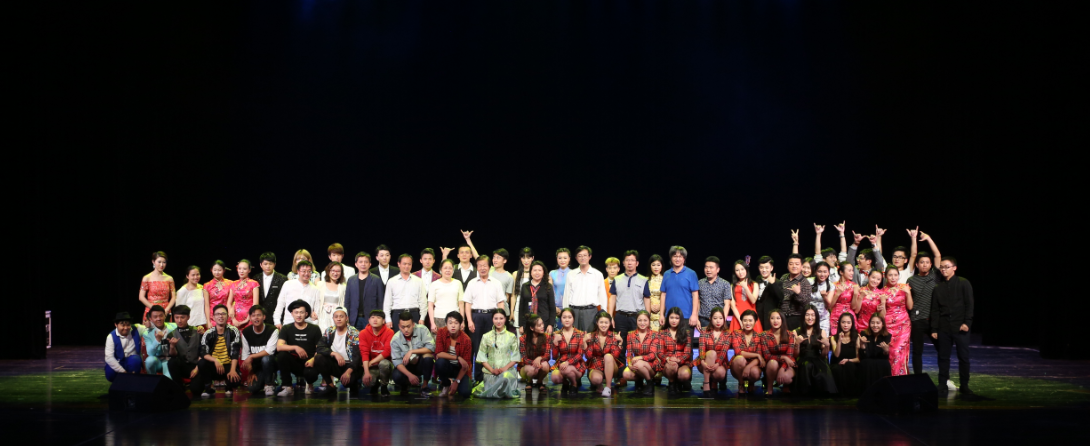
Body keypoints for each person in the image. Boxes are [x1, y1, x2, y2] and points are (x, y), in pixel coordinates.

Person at [930, 256, 974, 395]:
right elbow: (935, 310)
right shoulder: (938, 287)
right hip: (944, 327)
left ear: (954, 268)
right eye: (941, 267)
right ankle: (942, 384)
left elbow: (969, 304)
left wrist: (967, 322)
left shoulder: (963, 283)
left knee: (963, 357)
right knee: (943, 357)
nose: (943, 269)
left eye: (946, 267)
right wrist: (934, 328)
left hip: (960, 326)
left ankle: (964, 385)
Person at [462, 255, 507, 383]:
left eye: (485, 265)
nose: (482, 268)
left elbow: (500, 302)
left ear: (489, 267)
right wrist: (469, 320)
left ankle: (492, 376)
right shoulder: (472, 283)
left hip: (492, 316)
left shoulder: (496, 283)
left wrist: (500, 319)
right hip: (476, 316)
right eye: (480, 265)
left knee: (492, 347)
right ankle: (478, 377)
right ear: (477, 267)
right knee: (477, 347)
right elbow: (467, 304)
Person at [906, 232, 942, 375]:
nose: (925, 264)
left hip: (934, 320)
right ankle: (918, 378)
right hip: (917, 320)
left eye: (927, 262)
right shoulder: (911, 280)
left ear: (931, 264)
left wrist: (928, 239)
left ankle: (944, 378)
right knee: (917, 351)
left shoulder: (935, 276)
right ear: (917, 264)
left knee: (942, 349)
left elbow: (938, 255)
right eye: (922, 262)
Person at [274, 300, 322, 396]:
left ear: (306, 314)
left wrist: (313, 360)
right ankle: (288, 387)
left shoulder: (315, 328)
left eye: (301, 312)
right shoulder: (286, 328)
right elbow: (279, 347)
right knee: (281, 355)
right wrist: (295, 347)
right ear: (292, 314)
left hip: (310, 363)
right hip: (295, 362)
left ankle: (309, 383)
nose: (299, 315)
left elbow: (320, 349)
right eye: (296, 312)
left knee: (311, 373)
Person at [610, 251, 650, 365]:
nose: (629, 263)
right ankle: (621, 373)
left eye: (632, 260)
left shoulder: (643, 279)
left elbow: (647, 298)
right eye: (627, 260)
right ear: (623, 263)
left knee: (638, 346)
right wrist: (610, 316)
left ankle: (637, 372)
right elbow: (612, 297)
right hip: (620, 316)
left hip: (636, 317)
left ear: (637, 263)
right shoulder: (617, 279)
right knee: (619, 345)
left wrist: (647, 318)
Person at [194, 304, 242, 398]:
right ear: (213, 317)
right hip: (214, 366)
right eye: (218, 314)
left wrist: (233, 370)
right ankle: (209, 387)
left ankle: (228, 387)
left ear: (227, 316)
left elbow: (235, 351)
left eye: (223, 314)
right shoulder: (208, 333)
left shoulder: (233, 330)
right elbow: (203, 352)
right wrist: (215, 360)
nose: (221, 316)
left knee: (235, 381)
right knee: (201, 363)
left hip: (228, 365)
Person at [472, 309, 521, 398]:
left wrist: (504, 369)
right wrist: (492, 370)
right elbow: (481, 357)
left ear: (505, 319)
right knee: (493, 385)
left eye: (501, 318)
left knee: (505, 378)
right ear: (492, 319)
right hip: (490, 371)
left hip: (507, 370)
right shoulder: (486, 336)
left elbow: (515, 357)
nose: (498, 321)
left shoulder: (511, 336)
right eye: (496, 318)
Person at [315, 306, 363, 395]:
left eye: (341, 316)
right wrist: (334, 353)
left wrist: (348, 371)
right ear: (333, 318)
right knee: (319, 358)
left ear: (347, 318)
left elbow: (358, 356)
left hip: (350, 365)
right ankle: (330, 385)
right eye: (336, 317)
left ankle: (354, 385)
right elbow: (320, 346)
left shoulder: (354, 333)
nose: (339, 319)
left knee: (348, 382)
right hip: (336, 363)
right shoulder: (330, 331)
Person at [793, 306, 837, 396]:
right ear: (803, 316)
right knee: (807, 365)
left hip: (817, 358)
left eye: (813, 315)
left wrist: (827, 346)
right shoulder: (796, 332)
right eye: (807, 315)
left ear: (816, 317)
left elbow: (823, 355)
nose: (810, 318)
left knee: (822, 368)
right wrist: (797, 343)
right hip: (803, 358)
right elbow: (795, 355)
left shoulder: (821, 332)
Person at [563, 245, 608, 333]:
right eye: (580, 256)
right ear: (576, 258)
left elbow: (602, 295)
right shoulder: (571, 274)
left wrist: (604, 314)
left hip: (591, 311)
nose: (582, 258)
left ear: (589, 256)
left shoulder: (597, 274)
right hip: (574, 311)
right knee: (574, 337)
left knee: (590, 338)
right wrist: (565, 312)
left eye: (585, 255)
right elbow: (567, 294)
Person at [390, 311, 436, 397]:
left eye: (408, 326)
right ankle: (405, 385)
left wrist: (411, 351)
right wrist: (409, 375)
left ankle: (425, 386)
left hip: (420, 363)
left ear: (413, 324)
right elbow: (397, 362)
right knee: (396, 375)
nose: (406, 330)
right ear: (399, 326)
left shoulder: (422, 329)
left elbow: (431, 347)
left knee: (428, 358)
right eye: (403, 327)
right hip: (406, 366)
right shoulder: (395, 339)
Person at [880, 267, 913, 376]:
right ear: (885, 276)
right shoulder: (882, 292)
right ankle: (891, 377)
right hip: (888, 325)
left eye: (895, 275)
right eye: (890, 275)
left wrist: (908, 293)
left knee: (899, 351)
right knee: (891, 352)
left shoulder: (904, 287)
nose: (893, 278)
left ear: (899, 276)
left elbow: (910, 306)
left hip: (903, 324)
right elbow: (881, 315)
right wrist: (883, 302)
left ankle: (901, 378)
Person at [239, 305, 279, 396]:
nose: (256, 318)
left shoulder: (272, 330)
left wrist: (252, 356)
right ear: (250, 318)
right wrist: (251, 372)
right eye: (253, 316)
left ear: (264, 317)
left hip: (272, 363)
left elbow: (270, 351)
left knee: (266, 359)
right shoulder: (246, 332)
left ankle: (269, 384)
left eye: (258, 315)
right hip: (258, 366)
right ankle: (266, 379)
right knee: (252, 388)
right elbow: (245, 355)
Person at [583, 311, 623, 397]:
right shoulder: (591, 336)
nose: (603, 325)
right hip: (596, 365)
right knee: (596, 379)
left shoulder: (614, 336)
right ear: (597, 323)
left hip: (610, 365)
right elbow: (589, 356)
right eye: (601, 322)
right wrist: (584, 343)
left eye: (606, 322)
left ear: (610, 323)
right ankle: (599, 385)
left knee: (608, 356)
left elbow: (615, 356)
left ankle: (608, 387)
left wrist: (620, 343)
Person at [661, 246, 700, 330]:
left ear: (684, 259)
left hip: (686, 316)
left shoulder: (691, 273)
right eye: (675, 256)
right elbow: (663, 295)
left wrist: (694, 315)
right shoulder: (666, 274)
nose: (677, 259)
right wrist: (661, 315)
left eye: (680, 256)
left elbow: (695, 295)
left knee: (686, 339)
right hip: (670, 316)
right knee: (669, 339)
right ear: (671, 258)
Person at [758, 309, 796, 396]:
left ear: (782, 320)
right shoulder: (764, 335)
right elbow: (767, 356)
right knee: (772, 362)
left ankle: (786, 386)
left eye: (778, 318)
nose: (775, 321)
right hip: (771, 364)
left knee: (786, 378)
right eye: (772, 318)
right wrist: (783, 357)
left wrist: (782, 368)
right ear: (769, 320)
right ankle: (769, 387)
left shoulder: (790, 335)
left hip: (787, 363)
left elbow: (789, 355)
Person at [383, 254, 428, 328]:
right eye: (404, 264)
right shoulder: (392, 281)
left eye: (409, 264)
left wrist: (422, 317)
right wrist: (388, 319)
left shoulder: (418, 281)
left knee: (415, 335)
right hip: (397, 314)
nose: (407, 266)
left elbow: (423, 301)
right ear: (399, 264)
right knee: (397, 335)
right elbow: (387, 303)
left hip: (414, 314)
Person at [273, 261, 321, 329]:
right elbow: (280, 304)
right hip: (289, 324)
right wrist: (277, 321)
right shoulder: (288, 284)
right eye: (303, 271)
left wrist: (314, 326)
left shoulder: (315, 289)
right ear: (298, 271)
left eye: (309, 271)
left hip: (307, 326)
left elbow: (317, 311)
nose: (306, 273)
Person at [435, 311, 473, 397]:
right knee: (439, 363)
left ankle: (455, 384)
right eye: (450, 323)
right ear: (446, 324)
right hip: (447, 366)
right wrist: (457, 357)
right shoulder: (441, 332)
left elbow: (466, 365)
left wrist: (457, 382)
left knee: (465, 393)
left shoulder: (466, 340)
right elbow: (439, 353)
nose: (453, 325)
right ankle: (446, 384)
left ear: (460, 325)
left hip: (460, 369)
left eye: (456, 323)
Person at [623, 311, 660, 396]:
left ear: (649, 321)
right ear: (636, 321)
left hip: (651, 364)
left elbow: (652, 355)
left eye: (645, 320)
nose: (642, 323)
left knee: (638, 363)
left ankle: (649, 382)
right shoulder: (631, 334)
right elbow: (629, 353)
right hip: (637, 364)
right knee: (626, 374)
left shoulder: (654, 334)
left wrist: (640, 358)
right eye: (640, 320)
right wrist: (629, 364)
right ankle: (639, 381)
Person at [346, 252, 385, 331]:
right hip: (354, 318)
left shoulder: (376, 280)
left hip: (371, 318)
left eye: (366, 262)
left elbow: (380, 301)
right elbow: (347, 301)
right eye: (360, 262)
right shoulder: (351, 280)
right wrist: (347, 318)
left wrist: (380, 317)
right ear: (356, 264)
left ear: (370, 264)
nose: (363, 264)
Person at [358, 310, 395, 396]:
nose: (375, 320)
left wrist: (371, 362)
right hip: (372, 367)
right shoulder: (363, 333)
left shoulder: (389, 332)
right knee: (368, 382)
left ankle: (384, 386)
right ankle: (375, 385)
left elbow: (387, 352)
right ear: (369, 320)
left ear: (383, 321)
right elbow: (364, 353)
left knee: (384, 363)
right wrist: (366, 372)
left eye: (378, 317)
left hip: (386, 365)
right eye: (373, 317)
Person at [165, 305, 202, 392]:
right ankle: (179, 388)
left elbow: (203, 353)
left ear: (188, 317)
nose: (179, 320)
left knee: (196, 390)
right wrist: (172, 346)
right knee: (172, 362)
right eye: (176, 317)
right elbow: (173, 355)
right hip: (182, 366)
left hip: (196, 366)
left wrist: (197, 369)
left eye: (182, 317)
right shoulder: (171, 335)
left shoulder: (198, 331)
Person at [551, 308, 587, 395]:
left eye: (569, 317)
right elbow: (554, 357)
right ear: (560, 319)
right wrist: (555, 343)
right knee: (555, 378)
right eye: (564, 317)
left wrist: (568, 362)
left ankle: (574, 383)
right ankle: (565, 383)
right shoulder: (557, 334)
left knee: (567, 369)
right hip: (561, 364)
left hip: (577, 365)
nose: (567, 320)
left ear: (573, 319)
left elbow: (580, 354)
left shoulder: (580, 334)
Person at [697, 307, 731, 397]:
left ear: (724, 319)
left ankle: (714, 383)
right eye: (715, 318)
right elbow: (701, 348)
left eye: (720, 318)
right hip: (705, 361)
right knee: (712, 353)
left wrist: (717, 363)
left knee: (720, 373)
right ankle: (706, 383)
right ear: (710, 319)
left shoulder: (727, 333)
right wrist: (702, 361)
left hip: (719, 362)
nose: (718, 321)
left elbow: (724, 351)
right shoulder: (704, 331)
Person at [133, 305, 176, 376]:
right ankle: (152, 379)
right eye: (155, 317)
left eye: (161, 316)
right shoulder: (147, 333)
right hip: (157, 360)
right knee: (149, 361)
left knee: (168, 379)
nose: (158, 319)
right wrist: (157, 340)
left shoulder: (174, 327)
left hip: (170, 360)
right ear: (150, 319)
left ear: (165, 316)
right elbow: (150, 353)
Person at [729, 310, 764, 396]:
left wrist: (748, 366)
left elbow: (758, 359)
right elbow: (739, 352)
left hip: (752, 365)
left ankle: (751, 383)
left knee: (755, 372)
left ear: (755, 322)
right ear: (741, 321)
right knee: (739, 359)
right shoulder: (736, 333)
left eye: (750, 320)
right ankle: (741, 384)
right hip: (738, 365)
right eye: (745, 320)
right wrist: (757, 355)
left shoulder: (759, 336)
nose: (747, 323)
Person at [659, 307, 693, 395]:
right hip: (668, 363)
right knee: (672, 366)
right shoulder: (662, 333)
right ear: (668, 318)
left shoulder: (686, 333)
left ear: (680, 319)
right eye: (671, 318)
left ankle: (678, 382)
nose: (674, 320)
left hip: (682, 363)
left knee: (685, 374)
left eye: (677, 318)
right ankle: (672, 383)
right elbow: (660, 352)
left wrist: (679, 360)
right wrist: (668, 359)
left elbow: (687, 353)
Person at [516, 261, 556, 334]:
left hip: (544, 322)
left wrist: (551, 324)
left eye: (539, 270)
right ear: (531, 272)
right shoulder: (525, 286)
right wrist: (521, 325)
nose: (537, 273)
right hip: (528, 322)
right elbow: (521, 307)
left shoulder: (548, 286)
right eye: (534, 270)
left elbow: (552, 308)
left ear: (543, 272)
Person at [428, 259, 465, 332]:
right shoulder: (434, 284)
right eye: (445, 268)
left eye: (450, 268)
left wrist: (462, 320)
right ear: (440, 270)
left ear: (453, 270)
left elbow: (461, 304)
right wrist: (432, 323)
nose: (448, 270)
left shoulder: (458, 283)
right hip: (438, 318)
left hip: (455, 319)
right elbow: (430, 305)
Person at [858, 313, 892, 391]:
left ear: (882, 324)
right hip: (868, 361)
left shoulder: (887, 336)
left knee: (885, 364)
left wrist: (886, 351)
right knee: (865, 363)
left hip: (881, 361)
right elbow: (863, 357)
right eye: (872, 323)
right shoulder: (864, 334)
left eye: (878, 323)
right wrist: (862, 345)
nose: (875, 325)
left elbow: (885, 357)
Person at [105, 312, 142, 382]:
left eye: (128, 325)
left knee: (135, 359)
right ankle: (119, 383)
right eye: (123, 325)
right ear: (116, 325)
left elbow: (151, 327)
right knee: (110, 372)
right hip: (118, 361)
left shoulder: (137, 329)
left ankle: (132, 381)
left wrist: (149, 325)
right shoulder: (111, 337)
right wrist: (123, 372)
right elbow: (109, 357)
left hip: (131, 361)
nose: (126, 328)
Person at [139, 251, 176, 322]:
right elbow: (141, 297)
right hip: (151, 309)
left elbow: (173, 297)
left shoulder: (169, 278)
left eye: (164, 262)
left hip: (165, 310)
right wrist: (154, 309)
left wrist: (167, 309)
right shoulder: (147, 278)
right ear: (153, 262)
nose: (161, 265)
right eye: (159, 262)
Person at [519, 313, 552, 392]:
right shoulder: (523, 339)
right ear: (532, 328)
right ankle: (529, 381)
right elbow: (525, 359)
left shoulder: (547, 337)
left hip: (541, 365)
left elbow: (547, 355)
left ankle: (540, 382)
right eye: (539, 325)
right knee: (532, 370)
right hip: (527, 366)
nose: (542, 326)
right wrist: (534, 363)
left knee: (545, 365)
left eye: (542, 324)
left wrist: (539, 358)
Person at [829, 312, 860, 397]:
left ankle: (850, 394)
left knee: (849, 366)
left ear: (852, 324)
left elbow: (858, 358)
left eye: (848, 322)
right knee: (837, 369)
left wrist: (848, 360)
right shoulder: (833, 338)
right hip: (837, 363)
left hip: (851, 363)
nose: (845, 325)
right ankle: (838, 395)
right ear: (839, 323)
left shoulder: (856, 337)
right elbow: (836, 355)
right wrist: (839, 341)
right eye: (843, 322)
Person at [779, 254, 813, 331]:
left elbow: (807, 303)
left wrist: (798, 292)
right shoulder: (783, 278)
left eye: (797, 264)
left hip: (796, 318)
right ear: (787, 266)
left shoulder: (805, 282)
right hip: (781, 317)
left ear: (801, 266)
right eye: (791, 264)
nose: (794, 266)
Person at [697, 256, 732, 330]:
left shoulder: (725, 284)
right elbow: (697, 302)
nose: (708, 270)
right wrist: (697, 318)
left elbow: (727, 304)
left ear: (718, 269)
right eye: (706, 267)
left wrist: (723, 320)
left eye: (711, 267)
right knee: (705, 338)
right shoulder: (699, 283)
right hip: (704, 320)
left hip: (719, 321)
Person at [729, 261, 762, 333]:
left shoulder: (754, 284)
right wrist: (741, 321)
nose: (740, 272)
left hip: (751, 317)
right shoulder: (732, 286)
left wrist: (746, 287)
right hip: (738, 317)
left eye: (742, 269)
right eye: (737, 270)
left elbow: (753, 301)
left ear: (746, 270)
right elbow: (732, 306)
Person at [827, 263, 859, 336]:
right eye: (849, 270)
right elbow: (830, 306)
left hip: (849, 316)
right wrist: (837, 294)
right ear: (841, 272)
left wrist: (855, 294)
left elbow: (854, 307)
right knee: (835, 337)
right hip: (836, 315)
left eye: (852, 271)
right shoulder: (833, 285)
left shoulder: (854, 286)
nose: (852, 273)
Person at [257, 252, 288, 326]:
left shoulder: (282, 279)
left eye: (270, 264)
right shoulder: (256, 278)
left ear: (274, 264)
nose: (268, 266)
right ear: (261, 265)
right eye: (265, 264)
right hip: (260, 318)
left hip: (277, 318)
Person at [227, 259, 260, 329]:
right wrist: (233, 319)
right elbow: (229, 303)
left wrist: (247, 319)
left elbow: (255, 304)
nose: (241, 271)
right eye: (239, 268)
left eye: (244, 269)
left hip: (250, 317)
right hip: (235, 317)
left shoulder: (254, 283)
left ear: (249, 270)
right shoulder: (233, 284)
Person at [316, 262, 347, 333]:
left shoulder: (343, 287)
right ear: (328, 271)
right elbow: (316, 301)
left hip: (336, 315)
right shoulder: (320, 284)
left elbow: (344, 303)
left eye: (338, 271)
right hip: (323, 315)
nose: (335, 273)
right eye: (333, 270)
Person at [754, 256, 782, 332]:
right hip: (758, 317)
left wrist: (773, 284)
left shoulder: (777, 282)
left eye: (767, 267)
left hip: (770, 318)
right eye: (761, 267)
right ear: (758, 268)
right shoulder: (757, 280)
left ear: (771, 268)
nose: (764, 270)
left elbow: (781, 297)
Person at [510, 248, 535, 328]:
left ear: (532, 258)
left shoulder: (536, 273)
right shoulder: (515, 274)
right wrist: (512, 311)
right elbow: (513, 295)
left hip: (533, 304)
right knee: (519, 331)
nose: (526, 260)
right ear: (520, 259)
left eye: (528, 257)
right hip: (519, 305)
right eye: (523, 258)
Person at [549, 248, 573, 327]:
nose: (562, 260)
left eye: (565, 258)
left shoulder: (574, 273)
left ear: (569, 259)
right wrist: (554, 307)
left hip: (570, 308)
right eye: (560, 258)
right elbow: (549, 292)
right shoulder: (552, 273)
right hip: (556, 308)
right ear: (557, 259)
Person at [205, 260, 233, 325]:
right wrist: (208, 321)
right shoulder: (207, 285)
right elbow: (206, 305)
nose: (217, 272)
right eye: (215, 270)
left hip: (227, 315)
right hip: (213, 317)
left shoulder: (230, 283)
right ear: (211, 270)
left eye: (219, 270)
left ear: (224, 270)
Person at [809, 262, 834, 332]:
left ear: (828, 273)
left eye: (825, 272)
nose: (822, 274)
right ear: (815, 272)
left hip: (823, 319)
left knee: (824, 337)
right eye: (819, 271)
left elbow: (829, 305)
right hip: (810, 317)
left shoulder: (831, 285)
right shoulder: (809, 281)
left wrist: (824, 297)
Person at [647, 255, 665, 331]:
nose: (656, 267)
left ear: (662, 266)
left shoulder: (665, 280)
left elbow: (669, 297)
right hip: (648, 312)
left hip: (662, 313)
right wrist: (649, 306)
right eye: (653, 265)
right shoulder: (645, 280)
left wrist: (660, 306)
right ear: (650, 266)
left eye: (658, 265)